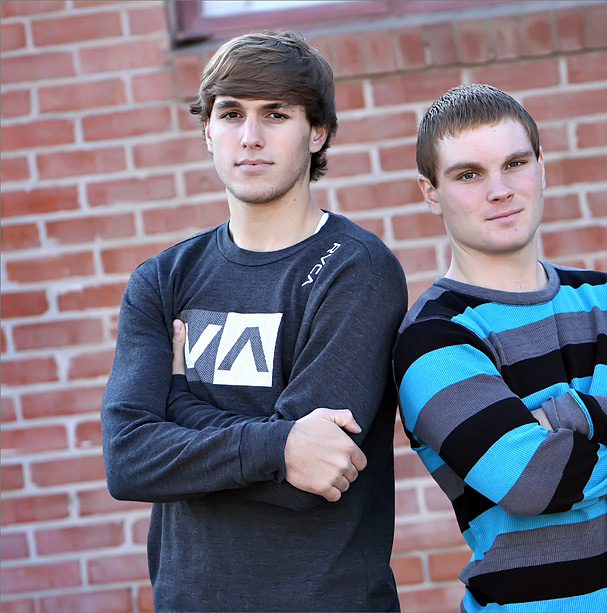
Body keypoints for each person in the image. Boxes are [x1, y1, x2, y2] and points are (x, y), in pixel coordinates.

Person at [392, 84, 607, 612]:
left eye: (515, 163)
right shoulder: (432, 338)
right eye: (468, 175)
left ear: (541, 166)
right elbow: (535, 482)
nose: (500, 190)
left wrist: (570, 415)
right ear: (430, 191)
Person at [101, 31, 406, 612]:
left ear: (317, 132)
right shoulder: (161, 280)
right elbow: (128, 459)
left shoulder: (356, 271)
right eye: (232, 113)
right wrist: (279, 440)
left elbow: (313, 478)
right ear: (207, 132)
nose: (250, 137)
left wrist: (178, 398)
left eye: (275, 113)